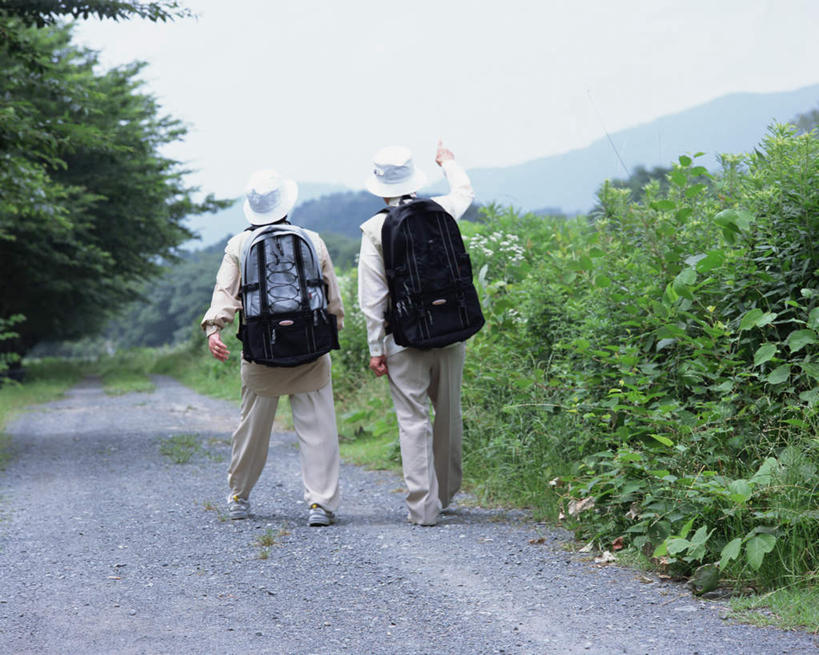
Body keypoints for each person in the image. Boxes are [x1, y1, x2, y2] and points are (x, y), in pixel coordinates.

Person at [201, 169, 344, 526]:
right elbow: (332, 297)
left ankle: (238, 496)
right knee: (318, 430)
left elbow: (225, 292)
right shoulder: (312, 239)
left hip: (262, 351)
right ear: (286, 203)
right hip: (310, 350)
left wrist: (213, 329)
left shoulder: (239, 245)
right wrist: (331, 331)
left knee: (252, 429)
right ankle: (321, 504)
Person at [357, 141, 475, 526]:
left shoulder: (375, 228)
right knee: (449, 415)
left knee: (413, 420)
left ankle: (424, 507)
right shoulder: (442, 209)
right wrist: (448, 162)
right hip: (451, 331)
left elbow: (371, 297)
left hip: (402, 338)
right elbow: (464, 193)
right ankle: (447, 493)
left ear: (381, 186)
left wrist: (376, 348)